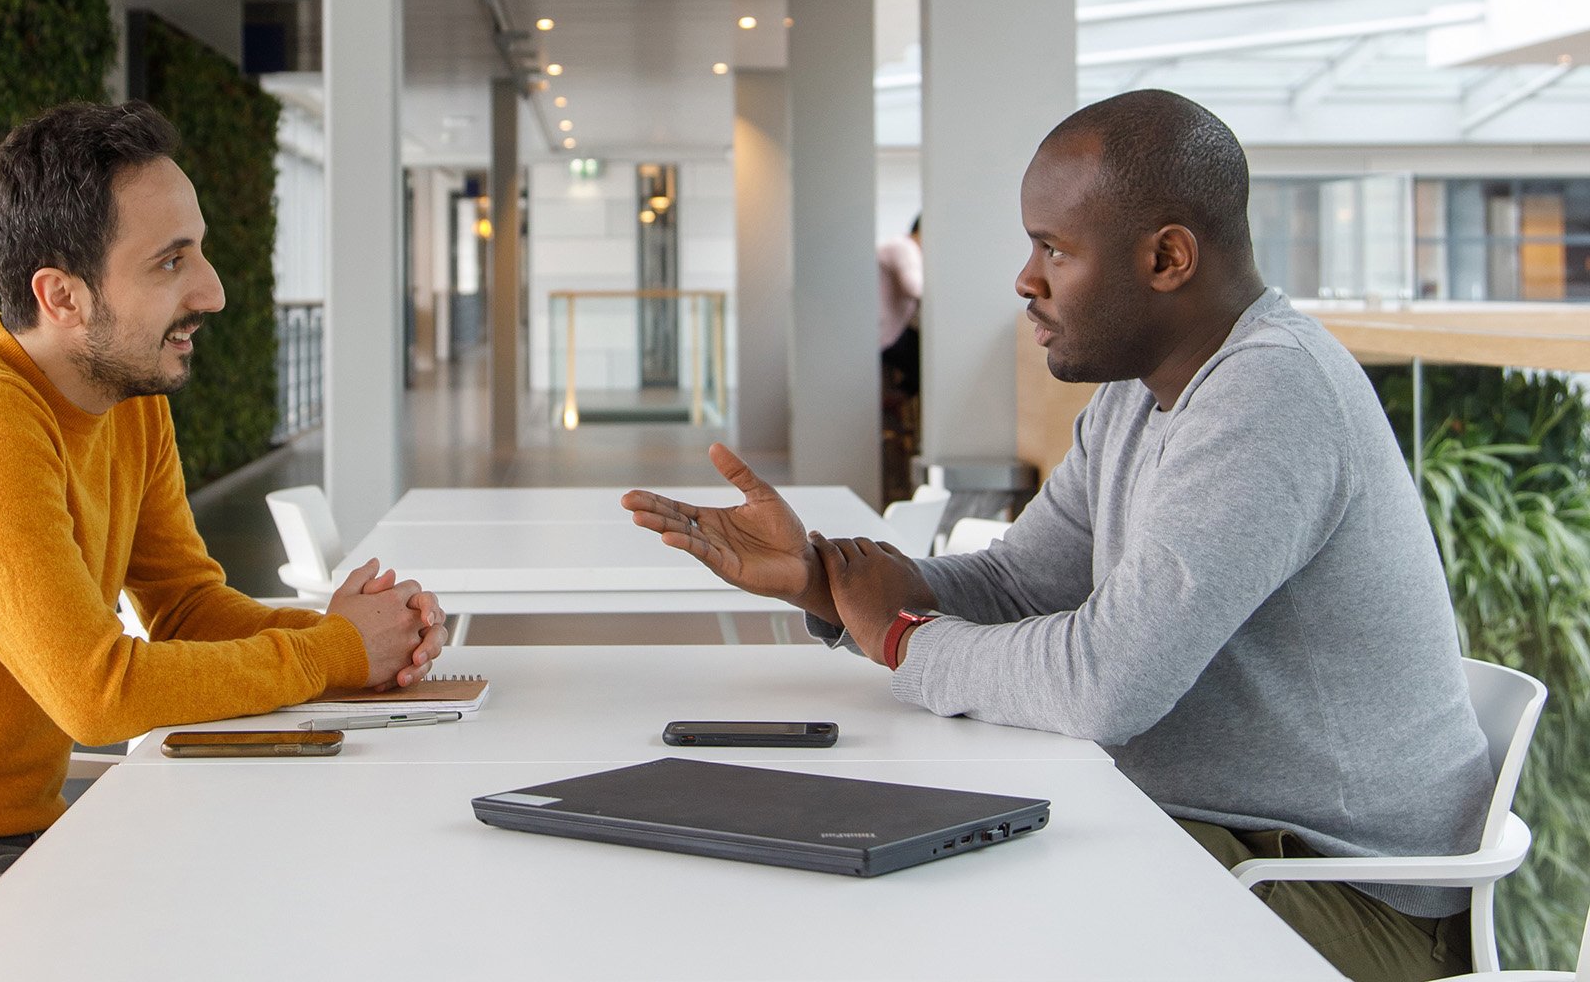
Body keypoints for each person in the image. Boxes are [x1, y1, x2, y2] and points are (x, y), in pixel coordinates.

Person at [624, 90, 1492, 982]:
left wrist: (901, 638)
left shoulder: (1270, 395)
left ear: (1167, 258)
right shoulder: (1137, 387)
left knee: (954, 916)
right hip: (1218, 833)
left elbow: (1105, 684)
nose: (1024, 278)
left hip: (1348, 898)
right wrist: (823, 581)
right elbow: (1020, 586)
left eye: (1054, 248)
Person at [0, 101, 448, 981]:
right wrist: (332, 652)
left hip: (2, 838)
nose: (213, 290)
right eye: (171, 261)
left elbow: (183, 607)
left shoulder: (125, 403)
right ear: (60, 295)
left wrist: (359, 640)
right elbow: (96, 694)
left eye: (200, 249)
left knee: (275, 917)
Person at [877, 216, 925, 504]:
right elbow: (915, 287)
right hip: (888, 337)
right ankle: (903, 402)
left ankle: (902, 401)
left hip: (886, 335)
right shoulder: (904, 247)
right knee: (929, 369)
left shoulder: (896, 247)